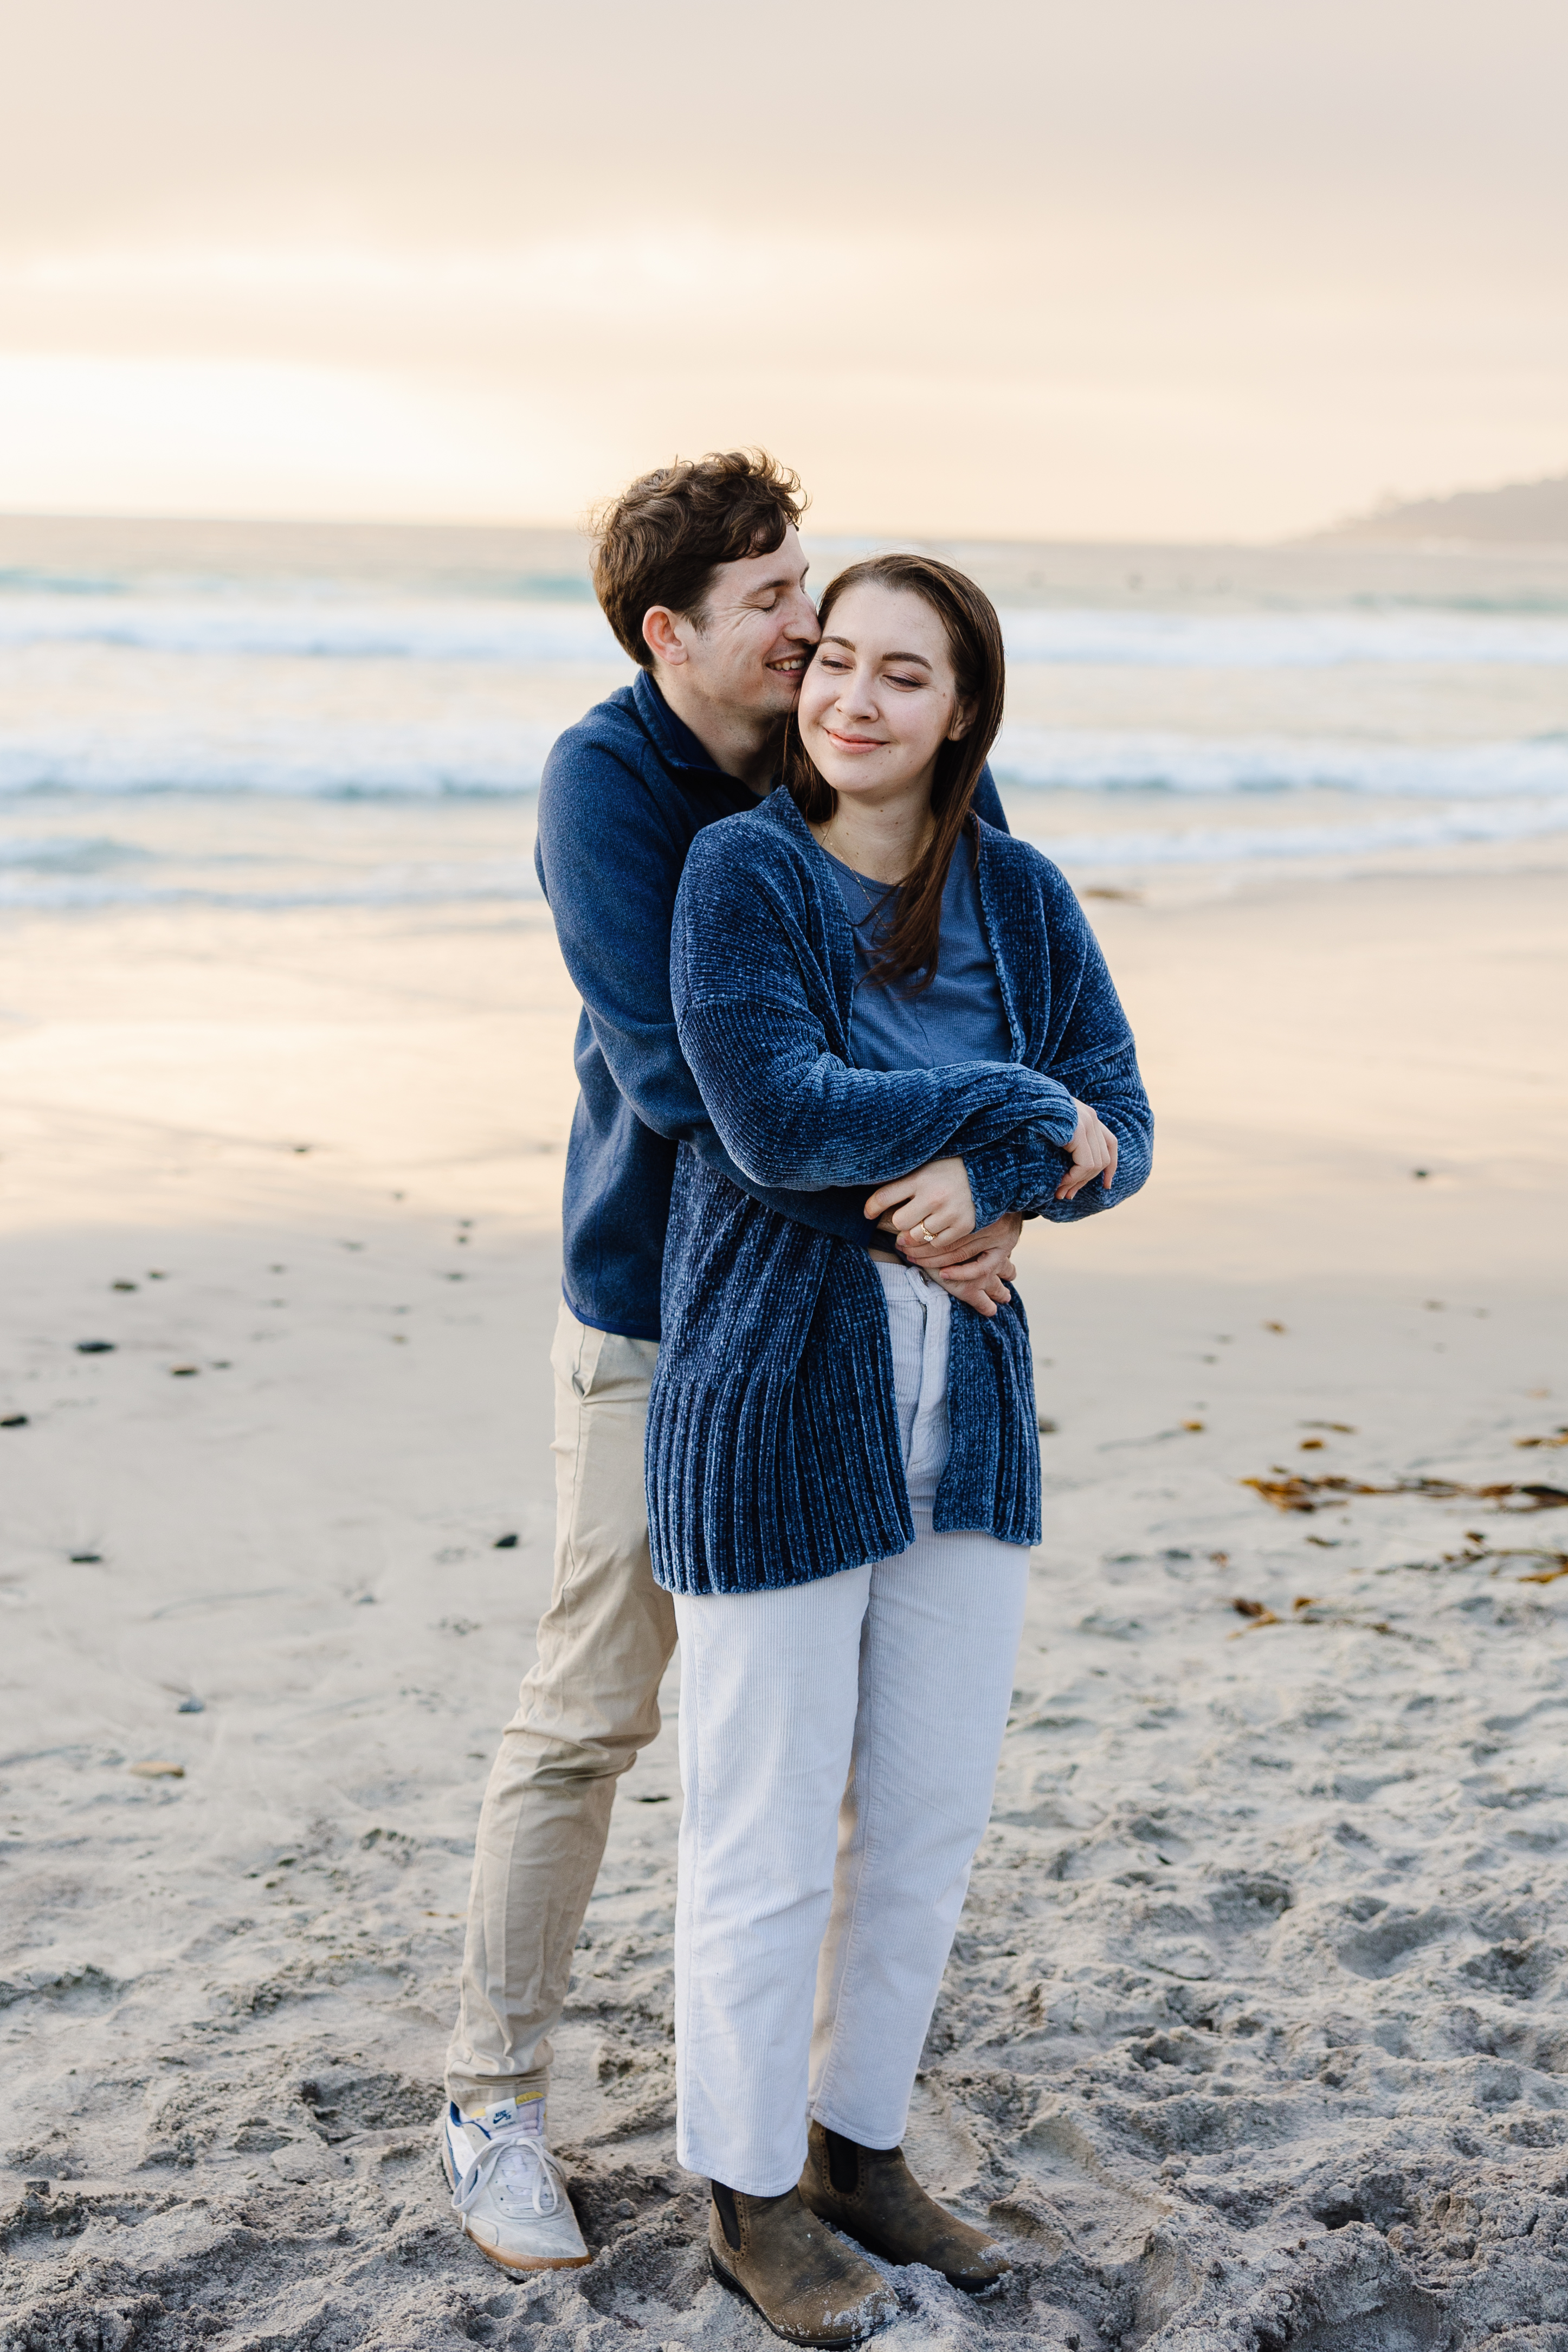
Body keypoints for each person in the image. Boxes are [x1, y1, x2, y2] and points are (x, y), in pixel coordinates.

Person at [439, 454, 1028, 2272]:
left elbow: (988, 982)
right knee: (594, 1706)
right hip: (656, 1313)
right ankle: (491, 2096)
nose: (810, 625)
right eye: (773, 599)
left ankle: (834, 2127)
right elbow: (703, 1087)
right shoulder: (609, 784)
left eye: (807, 585)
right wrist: (936, 1202)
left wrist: (1006, 1180)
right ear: (666, 631)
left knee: (853, 1753)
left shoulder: (831, 741)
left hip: (855, 1321)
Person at [649, 553, 1152, 2343]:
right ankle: (746, 2191)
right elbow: (776, 1112)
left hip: (973, 1400)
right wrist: (1020, 1117)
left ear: (964, 710)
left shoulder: (1020, 891)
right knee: (765, 1826)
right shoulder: (745, 873)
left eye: (904, 674)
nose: (854, 699)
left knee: (926, 1813)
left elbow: (1128, 1119)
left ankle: (859, 2148)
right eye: (835, 661)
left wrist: (1008, 1179)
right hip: (775, 1395)